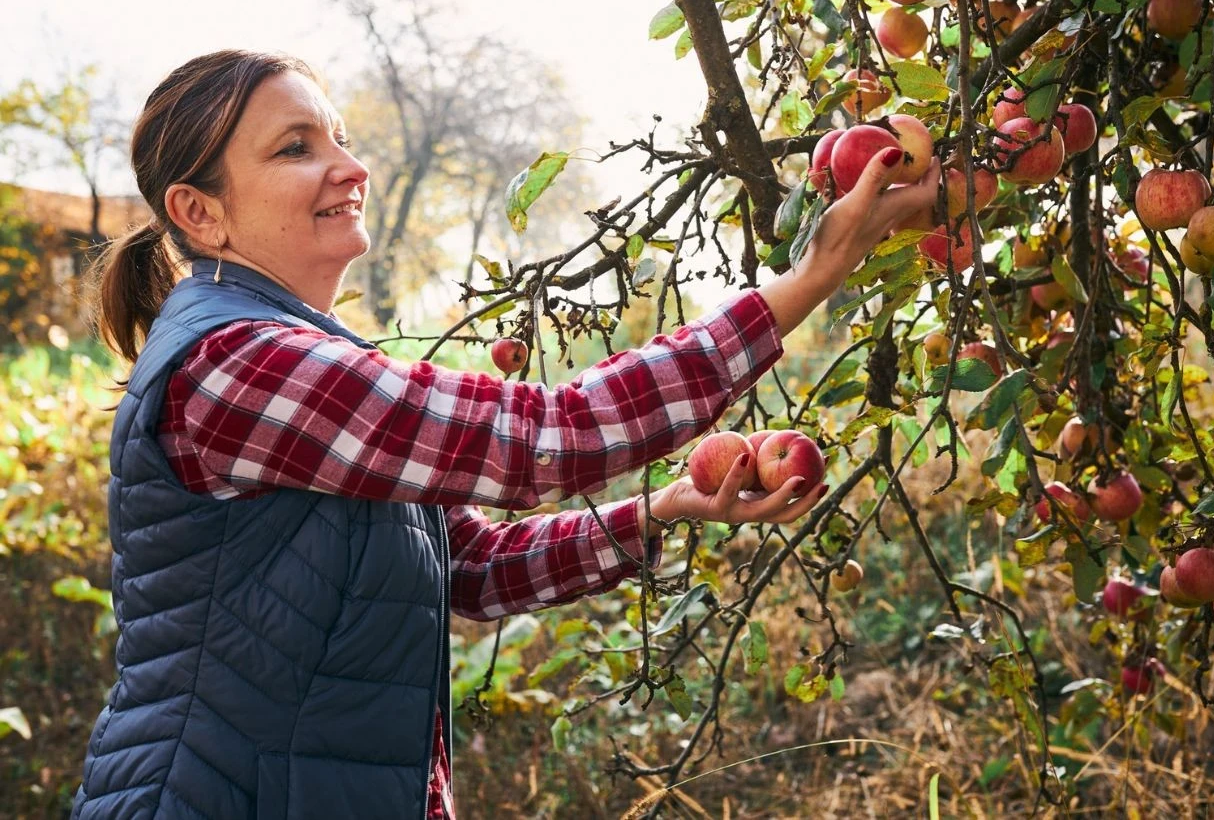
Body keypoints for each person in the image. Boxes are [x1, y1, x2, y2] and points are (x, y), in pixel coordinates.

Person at [71, 49, 938, 820]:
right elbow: (546, 438)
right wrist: (815, 271)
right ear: (200, 211)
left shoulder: (305, 358)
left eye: (338, 136)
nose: (351, 166)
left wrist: (667, 507)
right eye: (297, 148)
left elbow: (475, 571)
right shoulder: (235, 367)